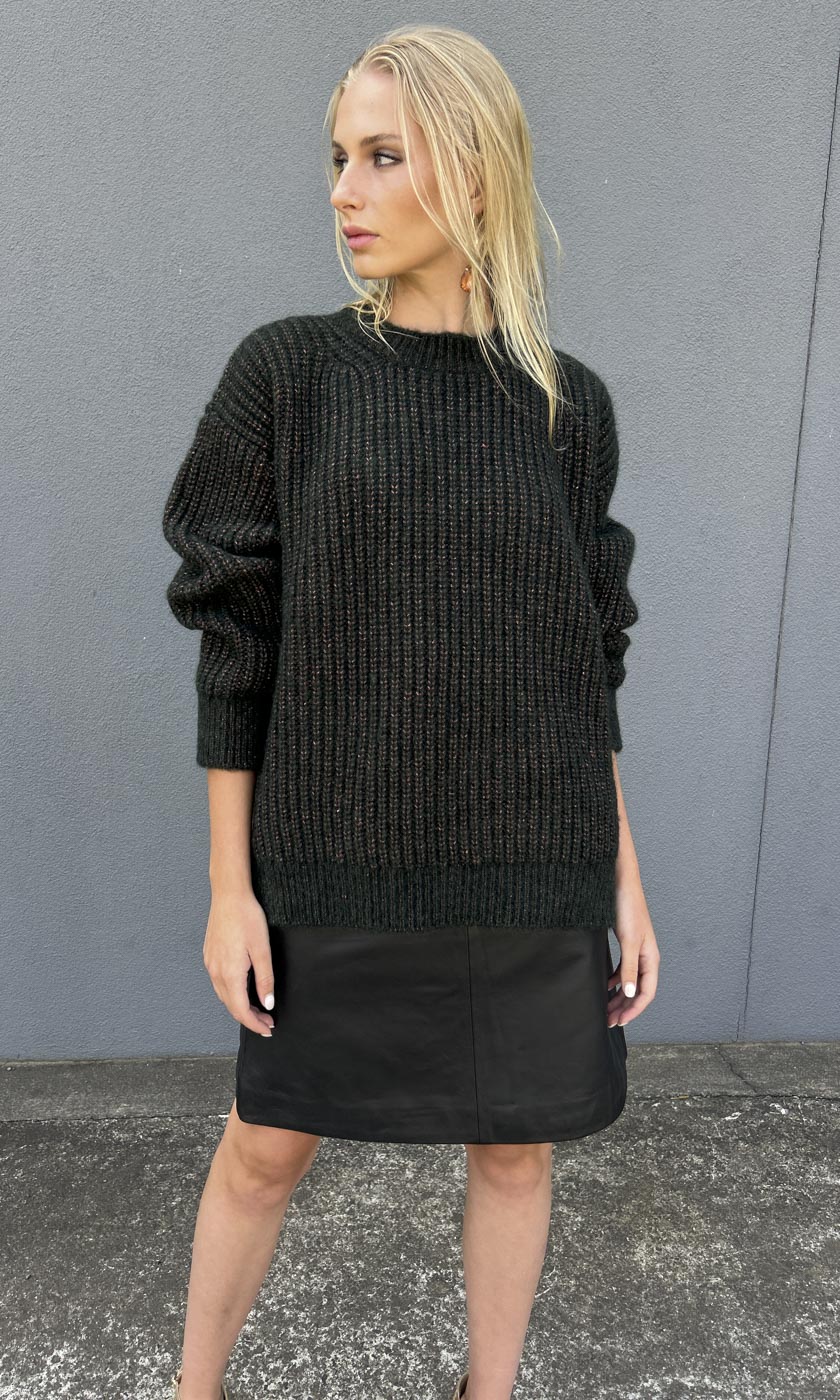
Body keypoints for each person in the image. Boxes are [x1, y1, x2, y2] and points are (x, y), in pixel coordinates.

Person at [161, 23, 660, 1400]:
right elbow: (235, 643)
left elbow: (588, 660)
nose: (345, 190)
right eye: (339, 157)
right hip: (335, 862)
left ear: (477, 170)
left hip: (534, 862)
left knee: (517, 1147)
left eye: (384, 156)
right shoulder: (289, 377)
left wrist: (624, 877)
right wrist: (231, 890)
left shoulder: (567, 407)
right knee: (264, 1147)